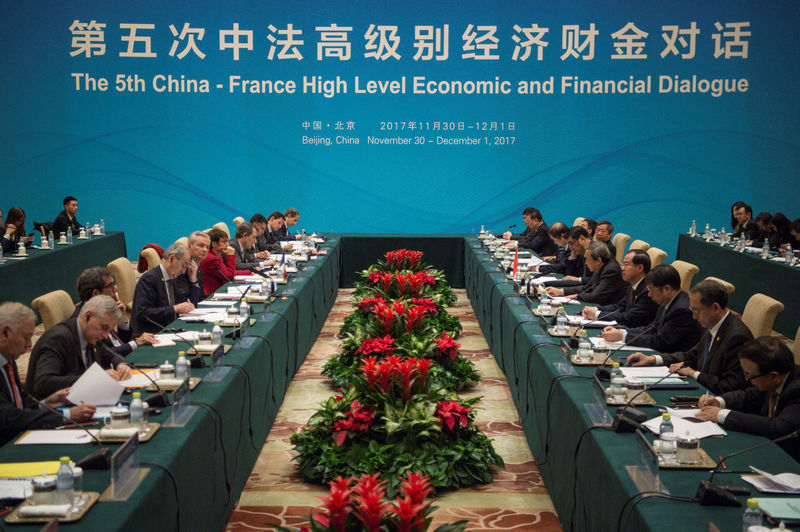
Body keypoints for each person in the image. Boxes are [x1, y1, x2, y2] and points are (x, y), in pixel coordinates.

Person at [626, 279, 751, 394]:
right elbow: (691, 356)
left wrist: (694, 374)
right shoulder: (712, 324)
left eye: (697, 311)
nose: (694, 317)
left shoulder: (736, 337)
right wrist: (652, 359)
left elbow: (730, 385)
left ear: (715, 307)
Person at [0, 302, 96, 445]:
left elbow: (17, 401)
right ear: (5, 333)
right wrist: (66, 415)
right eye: (26, 337)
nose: (29, 345)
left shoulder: (8, 358)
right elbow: (8, 417)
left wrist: (44, 404)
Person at [696, 337, 800, 461]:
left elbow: (778, 428)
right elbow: (749, 396)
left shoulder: (796, 388)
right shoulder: (773, 380)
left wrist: (723, 415)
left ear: (774, 376)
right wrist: (719, 401)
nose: (747, 380)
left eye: (749, 376)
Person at [25, 295, 132, 399]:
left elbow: (110, 355)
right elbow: (43, 383)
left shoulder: (90, 335)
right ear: (87, 316)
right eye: (104, 328)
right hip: (51, 411)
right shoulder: (59, 338)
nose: (105, 335)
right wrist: (93, 378)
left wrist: (121, 364)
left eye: (108, 331)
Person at [600, 264, 703, 352]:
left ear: (667, 289)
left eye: (651, 289)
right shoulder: (667, 301)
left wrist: (622, 337)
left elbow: (660, 341)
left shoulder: (682, 310)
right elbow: (651, 328)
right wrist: (621, 332)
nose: (649, 294)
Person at [73, 267, 157, 356]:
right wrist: (135, 343)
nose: (116, 289)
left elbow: (121, 341)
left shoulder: (103, 309)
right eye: (110, 286)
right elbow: (102, 354)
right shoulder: (85, 319)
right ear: (96, 293)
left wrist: (122, 319)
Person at [582, 249, 658, 328]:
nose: (622, 268)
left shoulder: (647, 291)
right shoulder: (633, 284)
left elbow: (627, 318)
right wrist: (594, 309)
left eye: (626, 264)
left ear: (640, 268)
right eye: (622, 264)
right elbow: (619, 307)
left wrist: (597, 314)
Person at [131, 244, 196, 334]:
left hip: (169, 328)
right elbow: (143, 313)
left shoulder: (171, 277)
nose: (184, 271)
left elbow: (187, 300)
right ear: (171, 258)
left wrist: (194, 280)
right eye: (184, 265)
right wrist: (174, 309)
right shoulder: (149, 279)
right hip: (151, 333)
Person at [545, 242, 628, 304]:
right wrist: (560, 291)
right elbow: (587, 287)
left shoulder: (611, 270)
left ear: (598, 260)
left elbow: (596, 296)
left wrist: (577, 296)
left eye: (588, 259)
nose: (586, 263)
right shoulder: (602, 265)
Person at [199, 228, 251, 295]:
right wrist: (230, 255)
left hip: (219, 291)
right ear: (214, 244)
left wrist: (249, 272)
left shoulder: (217, 255)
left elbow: (227, 272)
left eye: (227, 241)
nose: (227, 245)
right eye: (224, 242)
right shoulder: (211, 258)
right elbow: (229, 276)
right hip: (211, 295)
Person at [174, 231, 210, 305]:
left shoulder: (196, 266)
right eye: (201, 245)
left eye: (207, 247)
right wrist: (194, 281)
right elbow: (188, 301)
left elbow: (200, 297)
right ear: (190, 245)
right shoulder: (180, 268)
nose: (205, 250)